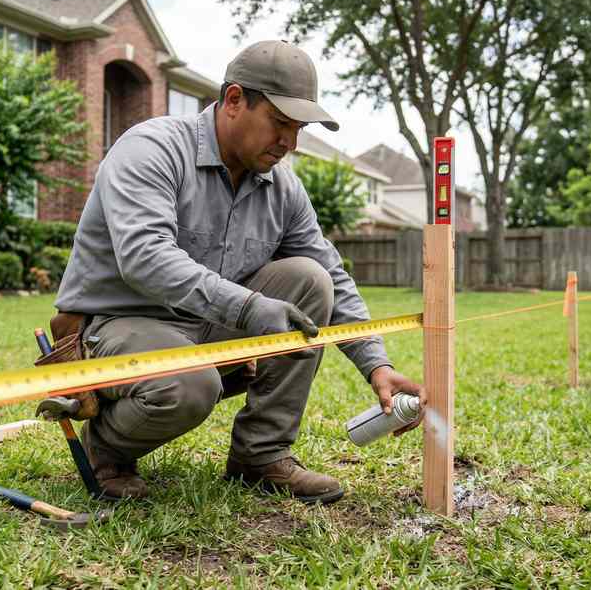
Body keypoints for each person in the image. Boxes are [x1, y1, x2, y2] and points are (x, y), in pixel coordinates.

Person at [54, 40, 425, 504]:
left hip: (203, 327)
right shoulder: (152, 149)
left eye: (299, 129)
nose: (290, 143)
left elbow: (330, 269)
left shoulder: (283, 188)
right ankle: (106, 451)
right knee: (190, 382)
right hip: (118, 325)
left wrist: (378, 366)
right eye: (280, 123)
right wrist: (248, 308)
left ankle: (260, 455)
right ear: (233, 101)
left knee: (311, 279)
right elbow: (145, 258)